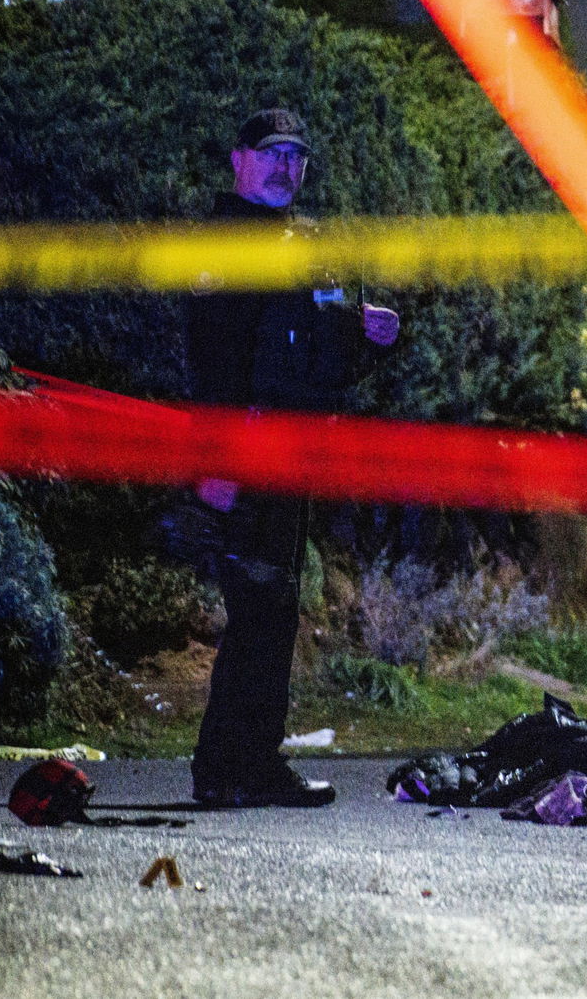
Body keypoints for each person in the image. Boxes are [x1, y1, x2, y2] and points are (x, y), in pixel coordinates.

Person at [186, 108, 400, 808]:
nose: (286, 167)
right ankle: (225, 768)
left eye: (297, 156)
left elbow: (319, 362)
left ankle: (253, 761)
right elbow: (213, 362)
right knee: (255, 608)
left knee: (276, 611)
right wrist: (216, 461)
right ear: (238, 160)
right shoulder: (222, 244)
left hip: (292, 454)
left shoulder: (308, 244)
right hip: (245, 452)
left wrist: (367, 341)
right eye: (272, 154)